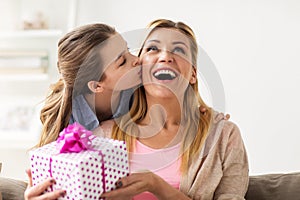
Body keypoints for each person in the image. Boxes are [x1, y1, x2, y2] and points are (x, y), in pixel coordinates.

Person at [100, 19, 249, 199]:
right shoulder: (104, 135)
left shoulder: (224, 136)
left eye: (179, 50)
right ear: (139, 68)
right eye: (153, 48)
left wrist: (155, 185)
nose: (165, 57)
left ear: (193, 75)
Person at [24, 23, 141, 199]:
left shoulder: (141, 91)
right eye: (122, 61)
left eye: (128, 50)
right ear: (96, 85)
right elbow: (45, 182)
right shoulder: (61, 116)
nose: (137, 59)